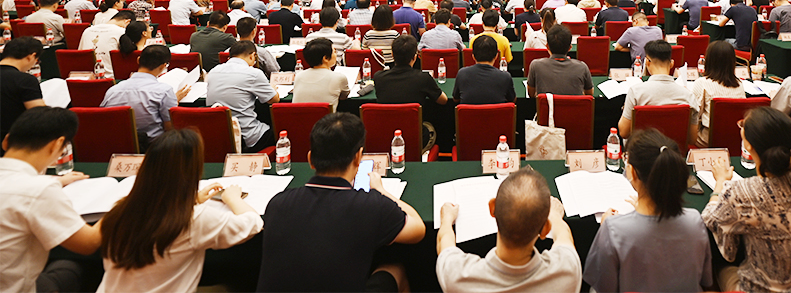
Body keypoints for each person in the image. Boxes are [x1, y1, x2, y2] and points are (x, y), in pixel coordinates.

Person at [257, 113, 425, 292]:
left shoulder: (277, 203)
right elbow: (418, 229)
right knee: (395, 269)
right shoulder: (372, 206)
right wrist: (381, 191)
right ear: (358, 158)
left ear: (310, 159)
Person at [98, 128, 261, 293]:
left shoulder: (120, 210)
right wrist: (233, 198)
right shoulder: (193, 219)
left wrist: (192, 200)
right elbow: (253, 223)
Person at [702, 106, 791, 292]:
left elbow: (711, 222)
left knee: (717, 263)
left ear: (748, 145)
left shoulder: (741, 192)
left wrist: (720, 183)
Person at [584, 130, 712, 292]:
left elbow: (604, 286)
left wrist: (605, 227)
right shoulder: (695, 221)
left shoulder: (613, 229)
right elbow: (705, 280)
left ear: (632, 172)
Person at [0, 107, 102, 293]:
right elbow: (89, 244)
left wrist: (57, 181)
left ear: (6, 141)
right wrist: (120, 205)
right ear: (57, 144)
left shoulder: (35, 186)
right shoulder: (39, 190)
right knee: (80, 266)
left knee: (63, 266)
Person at [436, 168, 581, 293]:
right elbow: (564, 237)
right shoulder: (568, 271)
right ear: (545, 229)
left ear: (492, 208)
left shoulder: (456, 275)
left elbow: (444, 243)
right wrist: (555, 215)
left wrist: (447, 219)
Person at [100, 45, 185, 149]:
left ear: (138, 60)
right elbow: (170, 129)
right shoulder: (164, 91)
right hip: (154, 150)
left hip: (117, 148)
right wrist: (174, 103)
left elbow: (103, 121)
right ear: (163, 66)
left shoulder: (112, 91)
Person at [205, 41, 279, 151]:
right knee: (279, 129)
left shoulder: (213, 71)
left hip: (220, 136)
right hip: (248, 138)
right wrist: (272, 88)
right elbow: (274, 100)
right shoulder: (254, 73)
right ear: (252, 56)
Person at [618, 40, 696, 141]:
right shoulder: (689, 96)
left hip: (643, 148)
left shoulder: (636, 92)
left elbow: (624, 132)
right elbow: (692, 138)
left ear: (647, 62)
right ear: (672, 63)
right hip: (675, 149)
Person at [690, 41, 746, 147]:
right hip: (735, 138)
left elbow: (694, 115)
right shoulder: (739, 84)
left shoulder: (702, 83)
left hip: (708, 139)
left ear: (709, 61)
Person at [372, 35, 447, 106]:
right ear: (415, 57)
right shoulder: (424, 78)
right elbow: (443, 100)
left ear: (392, 55)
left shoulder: (378, 77)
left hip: (387, 116)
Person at [526, 24, 592, 97]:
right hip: (574, 105)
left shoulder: (535, 66)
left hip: (548, 105)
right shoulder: (582, 67)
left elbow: (531, 94)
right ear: (570, 47)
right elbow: (589, 95)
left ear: (547, 46)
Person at [0, 37, 45, 142]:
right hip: (13, 140)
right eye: (36, 61)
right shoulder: (25, 80)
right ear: (31, 56)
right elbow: (40, 115)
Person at [454, 35, 516, 105]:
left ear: (473, 56)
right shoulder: (505, 76)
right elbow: (512, 100)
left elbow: (456, 99)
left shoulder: (462, 74)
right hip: (496, 112)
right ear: (496, 56)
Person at [292, 38, 350, 109]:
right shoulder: (338, 77)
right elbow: (344, 96)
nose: (336, 54)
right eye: (334, 52)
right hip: (327, 116)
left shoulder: (299, 76)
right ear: (325, 58)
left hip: (299, 116)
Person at [79, 10, 135, 76]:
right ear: (127, 22)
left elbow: (80, 54)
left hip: (87, 76)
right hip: (113, 76)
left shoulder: (87, 30)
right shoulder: (122, 32)